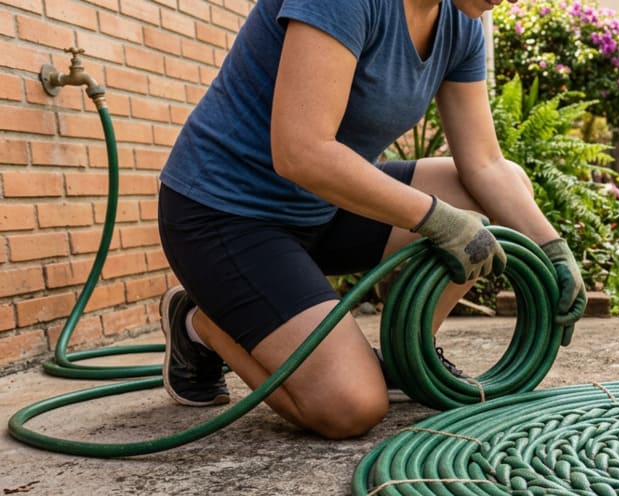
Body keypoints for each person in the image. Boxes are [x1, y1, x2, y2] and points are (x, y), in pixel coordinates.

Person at [156, 0, 587, 439]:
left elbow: (484, 164)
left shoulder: (460, 21)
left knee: (498, 186)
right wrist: (437, 220)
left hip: (324, 207)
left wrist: (552, 248)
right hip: (226, 214)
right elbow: (301, 152)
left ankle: (404, 357)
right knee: (348, 405)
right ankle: (201, 322)